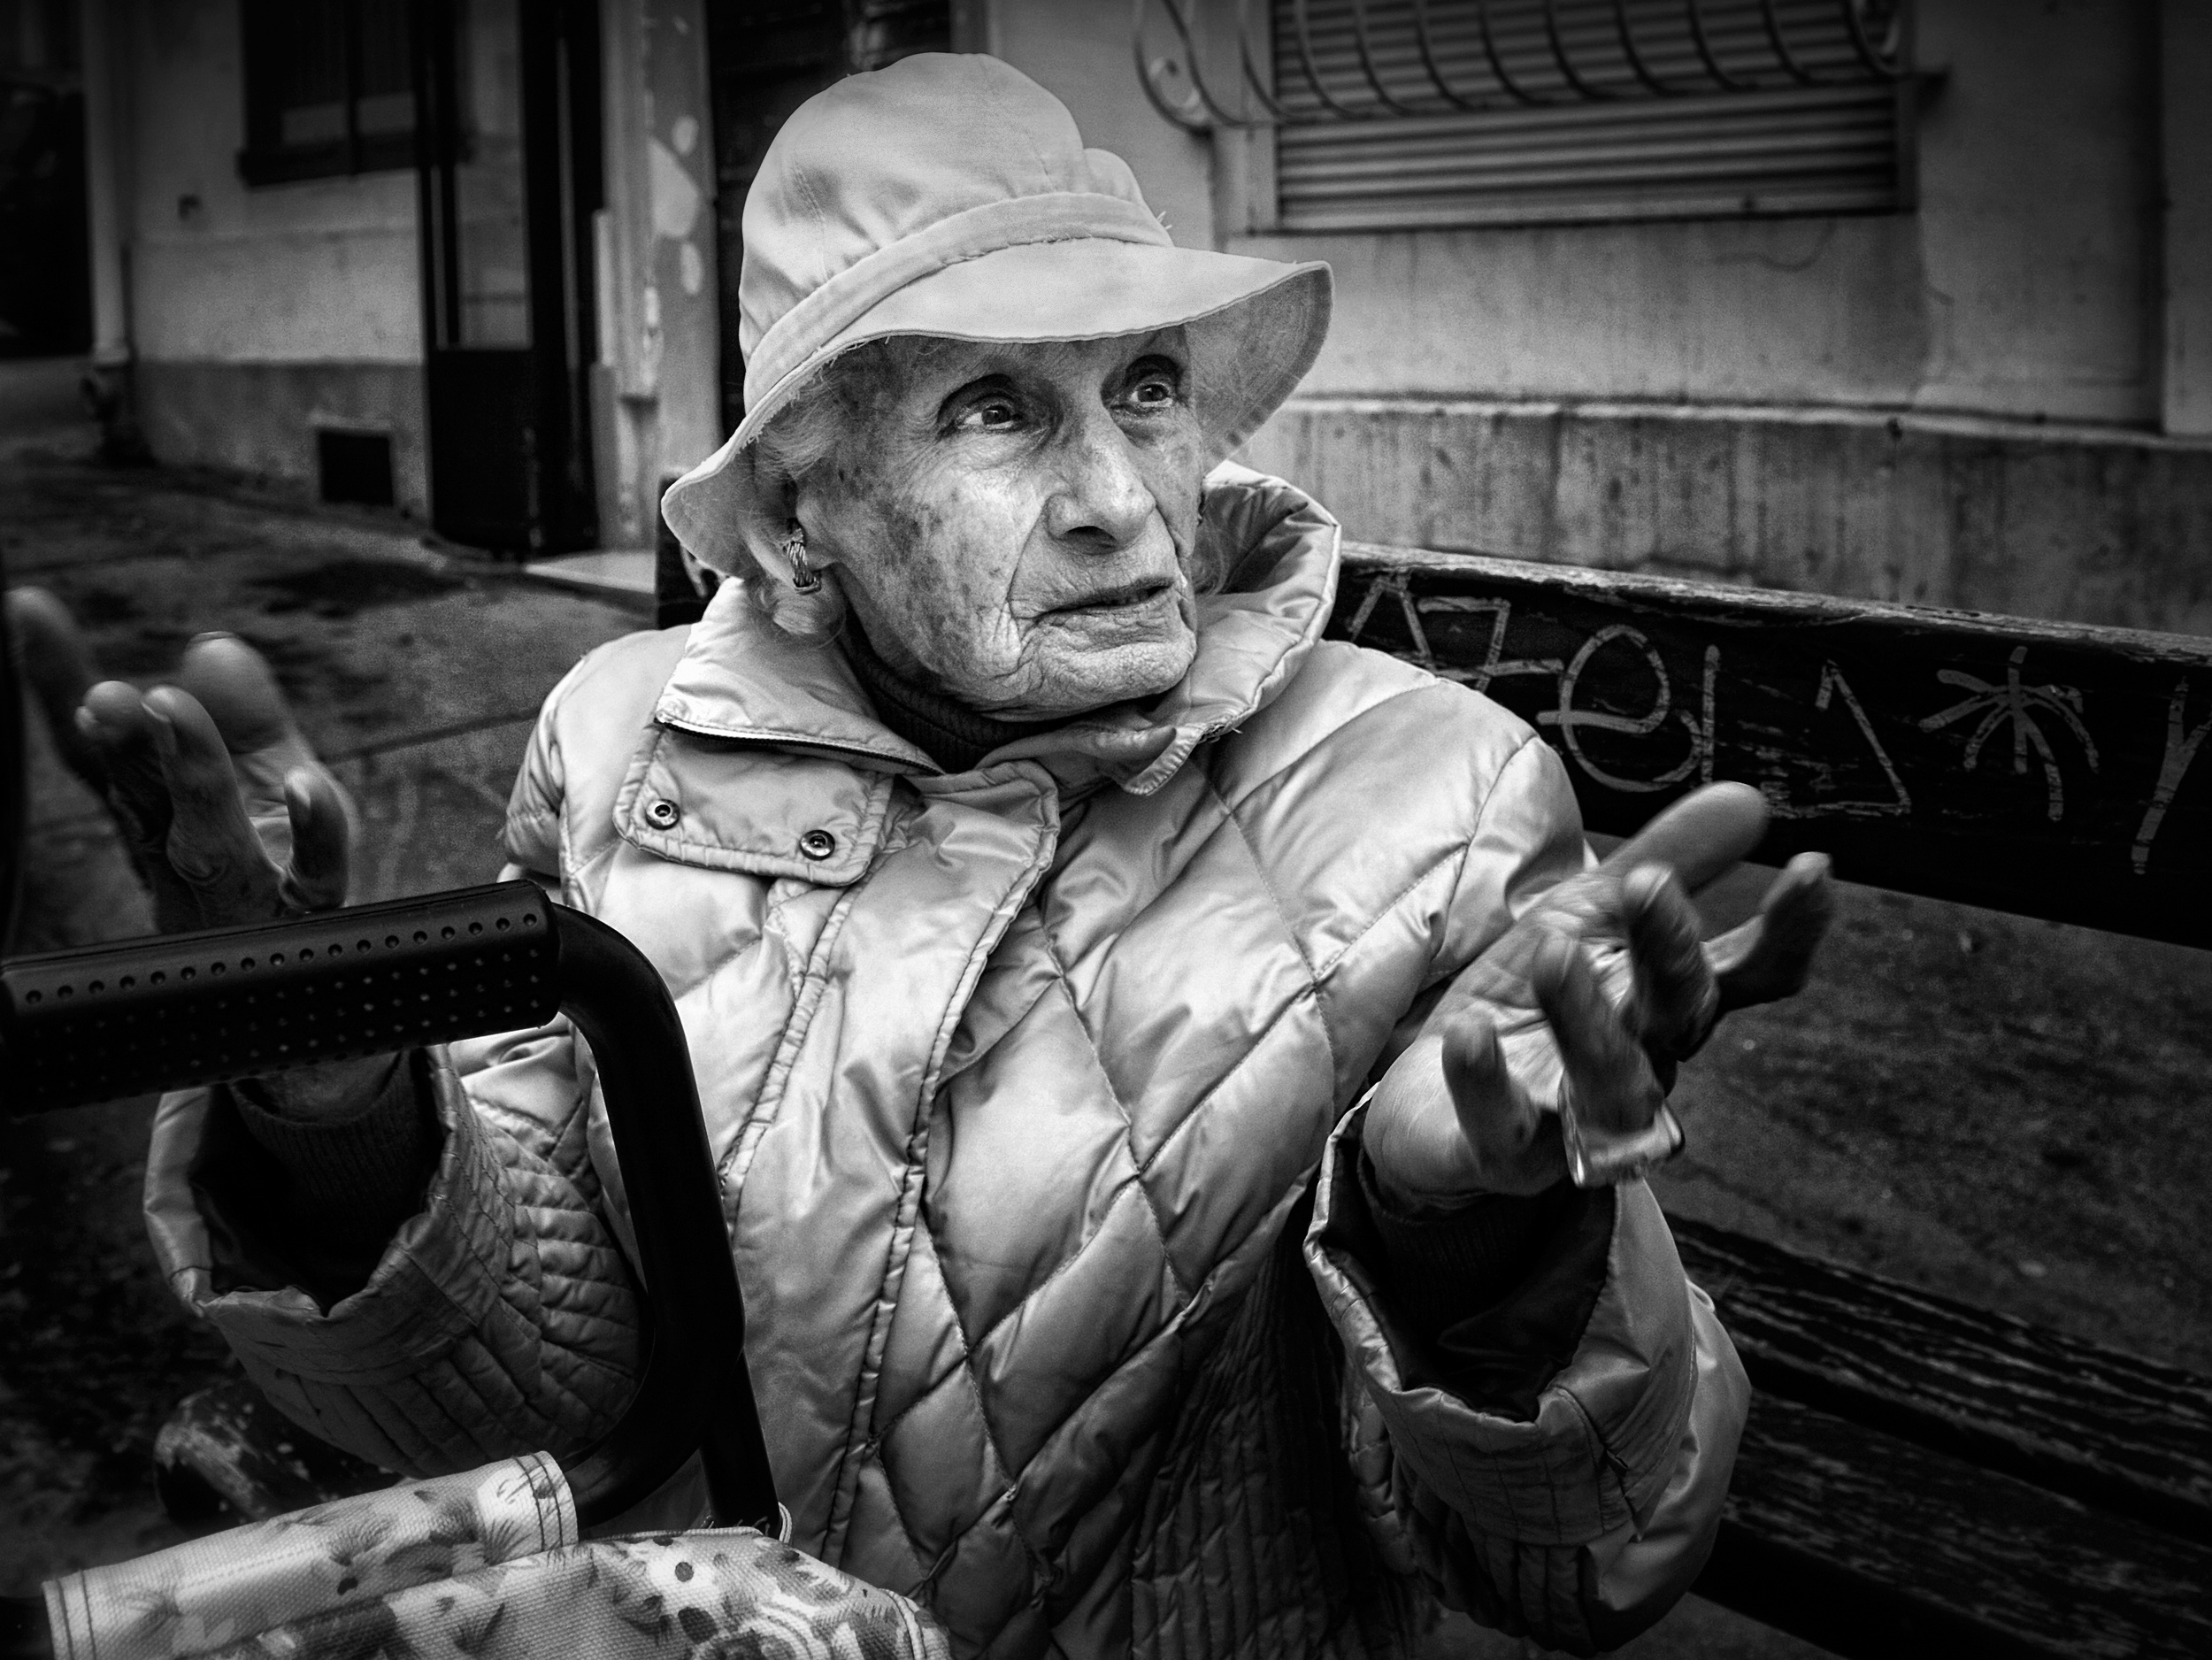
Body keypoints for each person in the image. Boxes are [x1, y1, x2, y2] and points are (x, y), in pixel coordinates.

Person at [46, 55, 1832, 1660]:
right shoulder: (621, 742)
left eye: (1146, 388)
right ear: (799, 520)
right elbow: (535, 1388)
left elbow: (1584, 1563)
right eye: (993, 408)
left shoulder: (1432, 797)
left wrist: (1478, 1245)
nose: (1120, 502)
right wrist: (333, 1106)